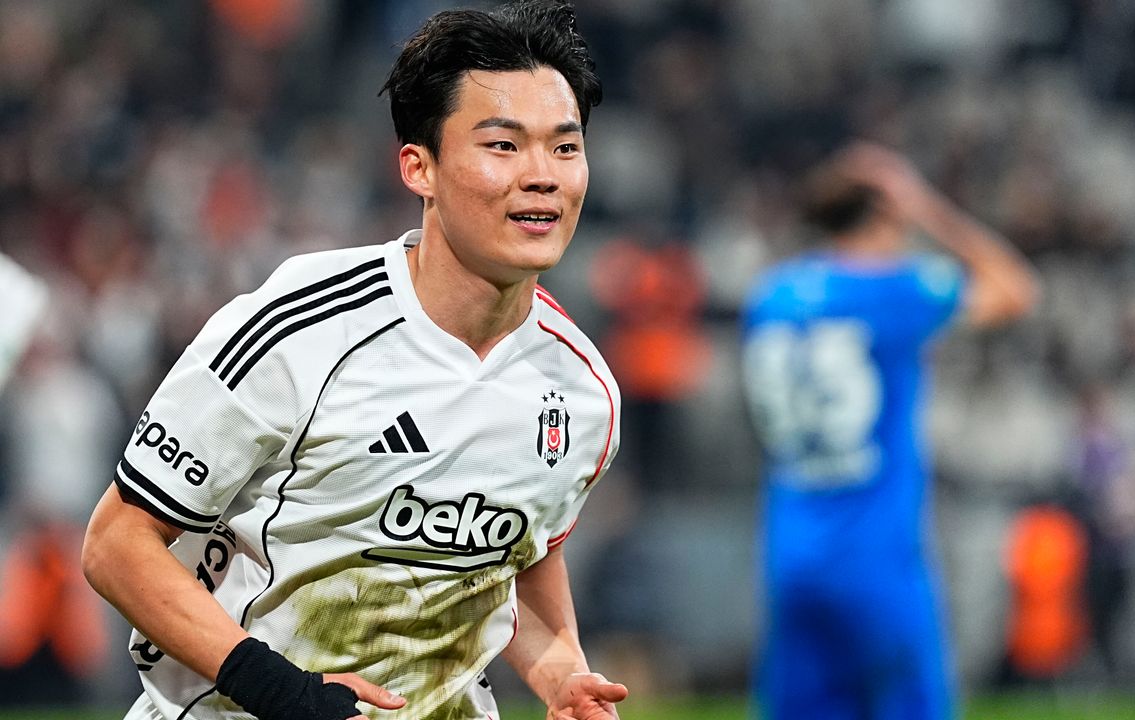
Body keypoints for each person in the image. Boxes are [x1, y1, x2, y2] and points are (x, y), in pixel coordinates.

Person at [81, 2, 627, 719]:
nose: (543, 176)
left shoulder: (583, 389)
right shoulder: (299, 328)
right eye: (503, 145)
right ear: (419, 167)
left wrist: (561, 676)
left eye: (564, 148)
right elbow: (117, 544)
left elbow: (521, 556)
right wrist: (287, 695)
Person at [741, 142, 1041, 720]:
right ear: (887, 214)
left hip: (790, 550)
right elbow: (1016, 288)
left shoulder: (772, 296)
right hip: (874, 552)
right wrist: (927, 205)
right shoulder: (896, 290)